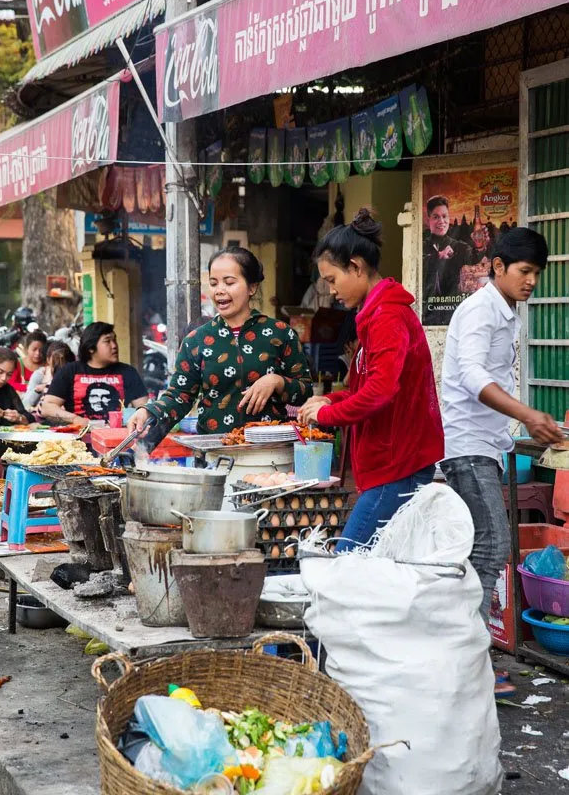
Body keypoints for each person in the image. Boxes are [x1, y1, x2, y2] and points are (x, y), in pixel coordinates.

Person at [298, 208, 444, 550]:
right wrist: (329, 399)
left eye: (333, 280)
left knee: (349, 559)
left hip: (398, 465)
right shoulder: (374, 314)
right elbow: (364, 388)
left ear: (357, 267)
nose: (331, 291)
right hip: (391, 463)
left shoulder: (386, 317)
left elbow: (380, 392)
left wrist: (326, 415)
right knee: (375, 563)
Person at [440, 228, 564, 628]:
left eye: (537, 273)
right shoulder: (482, 309)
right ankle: (470, 650)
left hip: (486, 447)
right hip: (467, 447)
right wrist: (528, 414)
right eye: (525, 271)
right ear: (498, 266)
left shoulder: (504, 311)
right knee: (493, 544)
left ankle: (468, 650)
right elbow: (474, 377)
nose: (531, 281)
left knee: (481, 546)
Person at [128, 247, 313, 437]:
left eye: (229, 282)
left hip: (269, 452)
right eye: (214, 283)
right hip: (217, 452)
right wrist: (148, 411)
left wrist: (277, 381)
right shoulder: (196, 340)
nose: (219, 291)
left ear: (252, 287)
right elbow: (180, 396)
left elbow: (305, 391)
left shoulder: (281, 333)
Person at [41, 322, 148, 425]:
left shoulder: (128, 372)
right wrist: (75, 419)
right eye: (107, 341)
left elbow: (145, 408)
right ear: (91, 348)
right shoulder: (70, 371)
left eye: (114, 340)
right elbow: (47, 407)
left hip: (117, 437)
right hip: (79, 439)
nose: (114, 345)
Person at [423, 195, 487, 301]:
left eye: (444, 216)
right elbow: (418, 263)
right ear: (428, 218)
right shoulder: (422, 246)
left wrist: (480, 245)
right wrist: (438, 256)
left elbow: (474, 257)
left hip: (452, 306)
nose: (441, 221)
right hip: (427, 312)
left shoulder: (459, 246)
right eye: (436, 217)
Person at [23, 341, 75, 415]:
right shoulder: (41, 374)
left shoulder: (73, 376)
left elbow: (41, 411)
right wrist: (38, 390)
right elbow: (27, 403)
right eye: (56, 360)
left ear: (48, 359)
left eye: (62, 360)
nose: (59, 363)